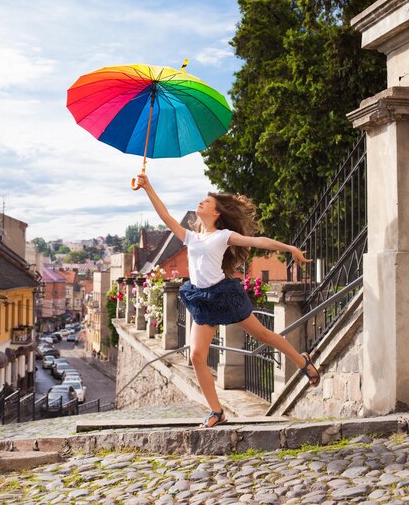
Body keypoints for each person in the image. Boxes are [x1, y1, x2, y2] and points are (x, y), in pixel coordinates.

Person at [136, 173, 320, 429]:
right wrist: (148, 187)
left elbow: (258, 241)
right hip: (201, 300)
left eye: (206, 202)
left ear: (217, 212)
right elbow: (165, 215)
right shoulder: (191, 237)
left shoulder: (222, 236)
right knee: (198, 356)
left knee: (264, 335)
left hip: (224, 295)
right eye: (201, 201)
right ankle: (216, 412)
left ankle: (303, 362)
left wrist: (289, 249)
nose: (200, 203)